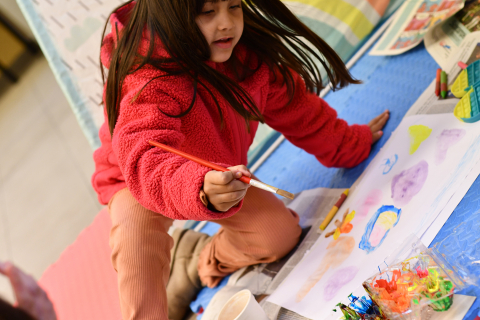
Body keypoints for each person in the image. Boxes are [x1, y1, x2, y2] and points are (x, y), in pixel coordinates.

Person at [91, 0, 389, 319]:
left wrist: (348, 143)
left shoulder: (247, 58)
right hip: (140, 179)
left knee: (279, 235)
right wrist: (199, 189)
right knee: (138, 258)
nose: (227, 23)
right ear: (172, 16)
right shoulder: (148, 81)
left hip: (217, 174)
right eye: (208, 12)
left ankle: (195, 258)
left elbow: (296, 109)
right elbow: (147, 161)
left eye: (234, 6)